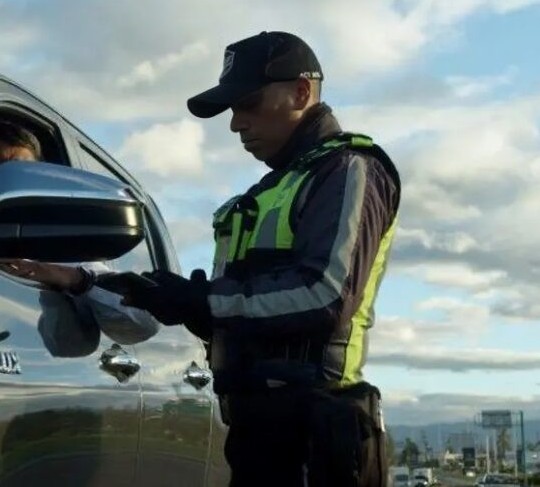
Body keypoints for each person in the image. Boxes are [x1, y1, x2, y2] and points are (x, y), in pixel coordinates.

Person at [123, 32, 401, 486]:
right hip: (257, 436)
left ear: (302, 92)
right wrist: (120, 290)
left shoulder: (349, 168)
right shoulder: (265, 194)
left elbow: (325, 296)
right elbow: (242, 316)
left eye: (248, 103)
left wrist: (204, 301)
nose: (236, 124)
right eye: (232, 110)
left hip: (318, 441)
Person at [0, 116, 159, 346]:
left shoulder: (65, 251)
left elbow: (145, 323)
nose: (5, 181)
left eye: (20, 173)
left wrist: (71, 279)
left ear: (40, 183)